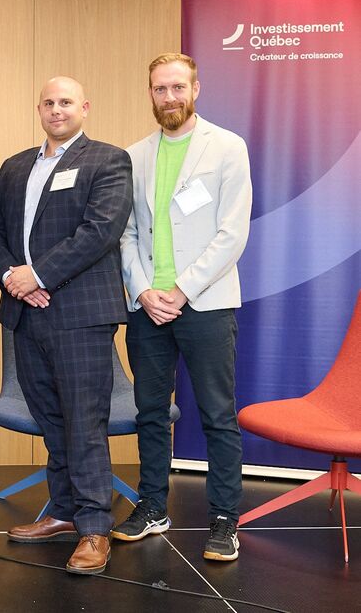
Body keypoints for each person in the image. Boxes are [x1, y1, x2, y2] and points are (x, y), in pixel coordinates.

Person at [0, 76, 132, 575]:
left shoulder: (107, 161)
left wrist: (38, 275)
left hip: (80, 315)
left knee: (84, 422)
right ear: (39, 109)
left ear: (84, 107)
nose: (56, 110)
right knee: (51, 420)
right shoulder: (15, 166)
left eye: (65, 102)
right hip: (26, 313)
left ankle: (94, 528)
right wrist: (13, 277)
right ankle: (65, 511)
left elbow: (100, 231)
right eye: (48, 102)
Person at [114, 53, 251, 562]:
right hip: (148, 308)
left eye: (177, 87)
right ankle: (152, 505)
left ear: (196, 89)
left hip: (206, 304)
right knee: (150, 412)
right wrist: (143, 290)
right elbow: (126, 234)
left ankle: (224, 519)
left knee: (217, 414)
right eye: (159, 89)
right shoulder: (134, 155)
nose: (169, 97)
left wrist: (182, 290)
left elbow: (232, 233)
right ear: (149, 93)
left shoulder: (228, 147)